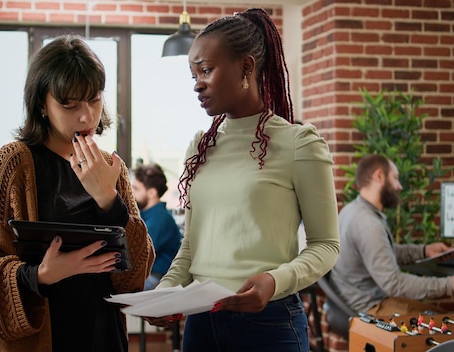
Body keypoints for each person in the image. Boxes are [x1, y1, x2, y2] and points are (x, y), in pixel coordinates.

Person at [145, 8, 340, 352]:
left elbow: (326, 245)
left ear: (246, 67)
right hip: (201, 324)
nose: (197, 84)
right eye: (193, 73)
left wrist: (274, 281)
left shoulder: (299, 144)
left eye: (206, 70)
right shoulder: (199, 147)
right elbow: (191, 246)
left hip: (269, 324)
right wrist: (165, 293)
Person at [0, 35, 154, 352]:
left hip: (102, 334)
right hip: (40, 340)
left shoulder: (112, 168)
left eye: (94, 100)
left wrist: (109, 199)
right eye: (69, 104)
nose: (86, 116)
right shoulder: (9, 166)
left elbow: (134, 277)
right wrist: (38, 275)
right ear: (42, 103)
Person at [330, 154, 454, 316]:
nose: (399, 186)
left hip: (360, 302)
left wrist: (423, 251)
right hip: (372, 309)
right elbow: (393, 283)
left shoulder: (352, 210)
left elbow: (380, 252)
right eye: (395, 178)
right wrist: (448, 284)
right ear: (379, 176)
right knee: (447, 325)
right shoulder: (368, 223)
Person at [131, 162, 182, 290]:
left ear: (152, 193)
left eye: (136, 189)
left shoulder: (160, 218)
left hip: (158, 276)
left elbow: (138, 254)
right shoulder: (144, 214)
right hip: (148, 274)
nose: (131, 192)